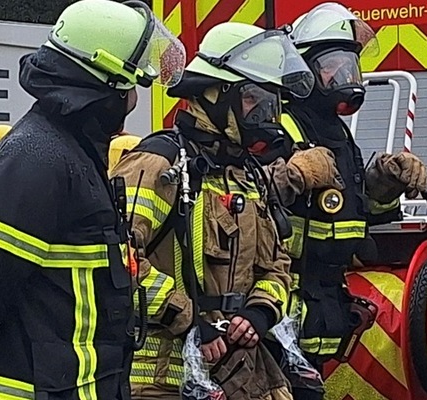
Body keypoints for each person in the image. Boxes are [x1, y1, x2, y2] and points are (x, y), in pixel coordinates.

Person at [0, 0, 186, 398]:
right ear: (104, 84)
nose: (135, 99)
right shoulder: (42, 160)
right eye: (132, 85)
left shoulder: (70, 152)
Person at [113, 21, 338, 400]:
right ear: (214, 94)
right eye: (254, 100)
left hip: (238, 378)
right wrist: (186, 320)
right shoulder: (157, 166)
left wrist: (258, 315)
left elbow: (276, 264)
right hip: (159, 381)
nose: (268, 115)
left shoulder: (247, 176)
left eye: (273, 103)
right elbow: (118, 258)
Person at [261, 4, 427, 399]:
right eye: (333, 66)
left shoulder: (337, 134)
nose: (345, 78)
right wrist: (294, 175)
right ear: (302, 71)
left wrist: (382, 187)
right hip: (281, 302)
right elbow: (249, 208)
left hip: (322, 302)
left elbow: (349, 215)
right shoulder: (281, 127)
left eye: (350, 65)